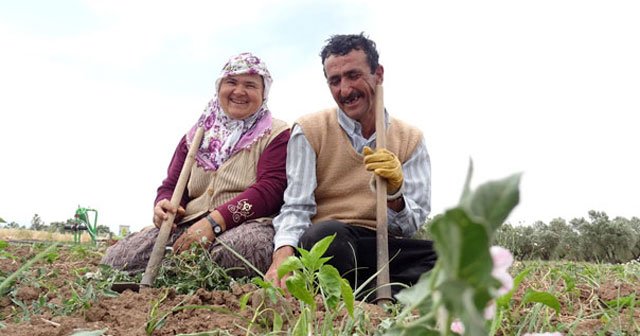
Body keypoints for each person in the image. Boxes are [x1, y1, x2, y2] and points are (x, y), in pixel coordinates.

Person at [264, 33, 437, 298]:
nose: (345, 90)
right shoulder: (310, 130)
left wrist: (394, 196)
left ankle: (367, 292)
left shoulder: (410, 138)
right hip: (330, 242)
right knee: (327, 237)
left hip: (381, 245)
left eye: (354, 75)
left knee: (455, 255)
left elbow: (410, 225)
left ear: (378, 74)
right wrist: (282, 260)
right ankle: (374, 295)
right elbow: (297, 207)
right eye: (335, 81)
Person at [101, 52, 290, 277]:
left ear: (263, 93)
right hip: (189, 223)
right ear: (219, 87)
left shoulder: (277, 134)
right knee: (116, 260)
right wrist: (164, 206)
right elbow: (171, 185)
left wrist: (214, 223)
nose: (239, 91)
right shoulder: (195, 137)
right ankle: (180, 276)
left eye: (250, 85)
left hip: (247, 224)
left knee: (234, 254)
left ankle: (179, 278)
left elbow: (271, 189)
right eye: (231, 82)